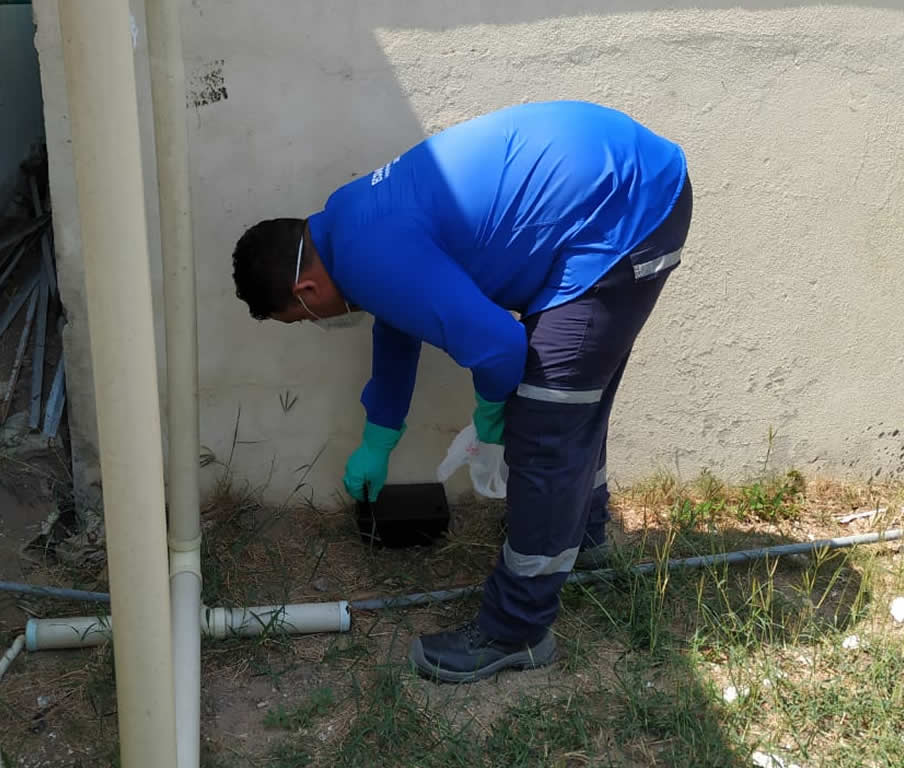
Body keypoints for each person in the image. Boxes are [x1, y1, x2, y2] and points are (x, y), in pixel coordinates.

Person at [231, 100, 692, 683]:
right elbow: (399, 318)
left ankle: (516, 630)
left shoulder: (365, 253)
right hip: (612, 184)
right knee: (569, 401)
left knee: (546, 423)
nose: (317, 324)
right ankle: (580, 537)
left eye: (302, 318)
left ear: (307, 290)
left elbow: (500, 347)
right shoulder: (346, 221)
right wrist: (379, 436)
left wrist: (493, 409)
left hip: (624, 210)